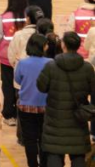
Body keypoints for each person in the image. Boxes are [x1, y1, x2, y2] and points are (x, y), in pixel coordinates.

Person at [36, 31, 95, 167]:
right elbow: (92, 90)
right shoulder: (87, 68)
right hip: (78, 119)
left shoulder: (51, 66)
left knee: (54, 154)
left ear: (63, 45)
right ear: (78, 46)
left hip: (54, 121)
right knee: (78, 155)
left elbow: (41, 87)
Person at [14, 33, 52, 167]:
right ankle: (44, 164)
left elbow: (18, 80)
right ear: (43, 46)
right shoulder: (50, 63)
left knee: (29, 140)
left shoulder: (22, 63)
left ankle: (32, 164)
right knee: (43, 138)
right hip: (46, 106)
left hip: (26, 106)